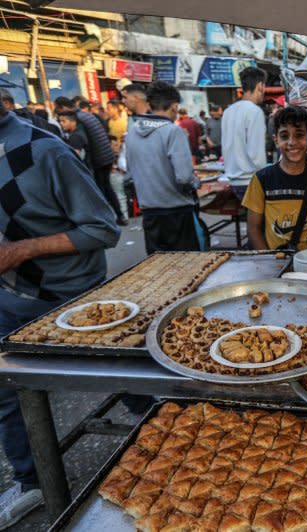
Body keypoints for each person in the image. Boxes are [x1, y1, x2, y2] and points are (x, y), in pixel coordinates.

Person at [0, 89, 120, 529]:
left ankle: (176, 447)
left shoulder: (44, 151)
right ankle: (31, 480)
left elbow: (103, 228)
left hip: (76, 301)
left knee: (128, 380)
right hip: (9, 299)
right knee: (8, 394)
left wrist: (23, 250)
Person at [243, 106, 307, 250]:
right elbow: (253, 228)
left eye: (299, 135)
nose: (291, 142)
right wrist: (269, 259)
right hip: (276, 262)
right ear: (276, 140)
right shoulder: (261, 179)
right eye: (284, 136)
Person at [125, 82, 203, 254]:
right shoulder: (172, 132)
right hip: (177, 214)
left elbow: (129, 173)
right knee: (189, 269)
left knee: (160, 271)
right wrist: (195, 181)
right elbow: (184, 177)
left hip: (150, 214)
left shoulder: (132, 132)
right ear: (174, 106)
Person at [54, 96, 126, 226]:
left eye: (62, 118)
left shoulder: (78, 119)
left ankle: (107, 221)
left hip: (99, 158)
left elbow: (83, 143)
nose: (61, 120)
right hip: (106, 156)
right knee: (107, 188)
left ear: (63, 108)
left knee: (100, 191)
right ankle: (119, 216)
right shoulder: (86, 114)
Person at [222, 67, 268, 199]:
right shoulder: (255, 112)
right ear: (260, 86)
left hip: (233, 180)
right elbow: (256, 154)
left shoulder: (228, 111)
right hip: (251, 181)